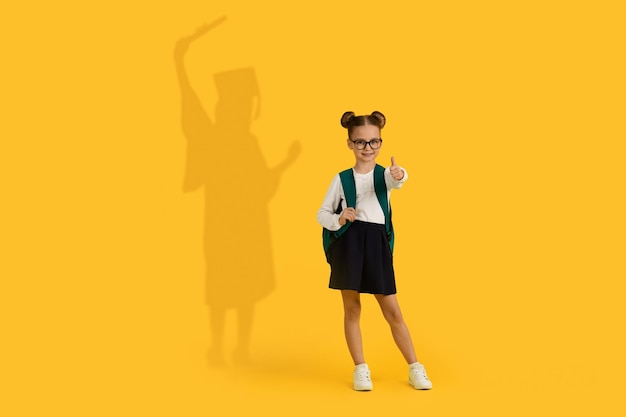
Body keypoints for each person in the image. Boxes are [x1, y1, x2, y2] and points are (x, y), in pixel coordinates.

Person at [317, 111, 432, 391]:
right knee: (352, 309)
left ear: (380, 142)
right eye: (360, 143)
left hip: (376, 241)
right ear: (350, 144)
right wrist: (339, 218)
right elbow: (322, 213)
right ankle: (360, 369)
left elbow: (399, 179)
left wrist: (399, 172)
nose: (368, 148)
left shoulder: (385, 174)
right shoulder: (341, 178)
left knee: (392, 310)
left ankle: (415, 368)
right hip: (350, 243)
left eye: (374, 142)